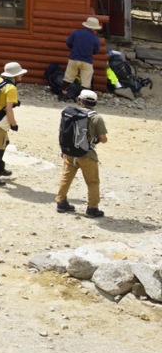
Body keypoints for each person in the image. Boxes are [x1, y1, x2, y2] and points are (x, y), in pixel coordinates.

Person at [55, 88, 109, 217]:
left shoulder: (70, 113)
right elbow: (103, 139)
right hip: (87, 155)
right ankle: (92, 208)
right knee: (93, 182)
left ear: (80, 100)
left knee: (66, 177)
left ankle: (61, 202)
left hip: (70, 153)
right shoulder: (97, 118)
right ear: (95, 102)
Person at [65, 17, 102, 90]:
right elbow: (96, 51)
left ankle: (63, 94)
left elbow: (68, 42)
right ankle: (83, 97)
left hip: (74, 58)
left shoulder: (76, 32)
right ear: (95, 28)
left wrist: (73, 49)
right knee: (86, 81)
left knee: (68, 78)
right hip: (87, 61)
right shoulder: (96, 39)